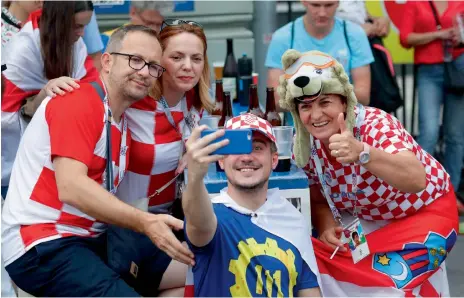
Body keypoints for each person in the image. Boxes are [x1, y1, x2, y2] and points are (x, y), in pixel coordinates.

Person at [1, 24, 189, 297]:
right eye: (135, 60)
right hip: (44, 243)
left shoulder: (120, 117)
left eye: (153, 66)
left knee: (202, 273)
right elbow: (71, 186)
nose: (145, 72)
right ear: (108, 61)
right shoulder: (79, 100)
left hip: (96, 237)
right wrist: (145, 221)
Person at [278, 49, 458, 296]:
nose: (316, 115)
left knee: (388, 280)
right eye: (306, 106)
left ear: (344, 101)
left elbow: (416, 179)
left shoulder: (375, 124)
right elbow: (317, 196)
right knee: (310, 261)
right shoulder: (305, 143)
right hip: (365, 222)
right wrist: (327, 225)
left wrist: (363, 152)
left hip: (424, 213)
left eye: (325, 102)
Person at [106, 19, 214, 296]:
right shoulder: (132, 98)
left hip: (171, 222)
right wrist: (52, 87)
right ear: (158, 61)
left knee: (213, 273)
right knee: (211, 273)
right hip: (125, 227)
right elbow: (97, 85)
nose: (187, 66)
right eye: (176, 57)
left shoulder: (195, 101)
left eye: (196, 58)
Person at [182, 114, 322, 297]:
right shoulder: (213, 216)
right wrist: (195, 177)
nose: (247, 157)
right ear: (221, 161)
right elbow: (197, 221)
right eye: (238, 148)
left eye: (257, 148)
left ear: (274, 160)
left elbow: (308, 290)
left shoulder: (293, 220)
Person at [266, 0, 373, 126]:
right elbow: (275, 100)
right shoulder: (283, 37)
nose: (322, 13)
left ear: (338, 3)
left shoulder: (354, 34)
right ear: (304, 2)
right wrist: (332, 92)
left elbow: (364, 95)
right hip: (300, 133)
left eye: (329, 5)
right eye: (315, 5)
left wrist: (306, 90)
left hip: (345, 129)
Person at [399, 1, 464, 209]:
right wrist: (439, 35)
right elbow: (405, 38)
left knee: (455, 136)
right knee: (429, 132)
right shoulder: (415, 3)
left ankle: (450, 194)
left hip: (457, 68)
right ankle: (421, 192)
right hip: (429, 71)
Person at [101, 1, 173, 51]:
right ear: (133, 13)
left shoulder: (167, 42)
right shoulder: (106, 41)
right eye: (149, 23)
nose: (154, 29)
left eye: (159, 24)